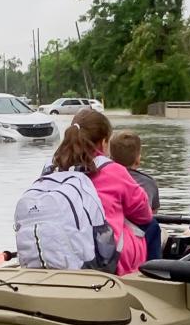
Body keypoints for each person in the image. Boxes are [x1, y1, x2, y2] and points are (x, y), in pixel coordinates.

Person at [50, 109, 157, 274]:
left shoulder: (53, 170)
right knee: (152, 226)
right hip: (107, 260)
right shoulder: (114, 171)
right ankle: (155, 279)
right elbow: (144, 214)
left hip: (59, 253)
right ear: (104, 142)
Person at [109, 130, 160, 213]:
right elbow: (153, 214)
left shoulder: (102, 178)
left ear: (111, 158)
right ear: (138, 160)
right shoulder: (149, 183)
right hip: (139, 224)